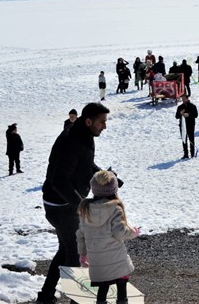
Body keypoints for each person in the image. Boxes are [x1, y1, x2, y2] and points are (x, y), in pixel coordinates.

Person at [36, 102, 110, 304]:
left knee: (66, 249)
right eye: (102, 122)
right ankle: (77, 300)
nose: (104, 126)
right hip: (60, 207)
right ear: (88, 121)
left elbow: (85, 163)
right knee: (75, 253)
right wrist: (82, 205)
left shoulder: (82, 135)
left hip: (64, 204)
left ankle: (45, 295)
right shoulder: (73, 140)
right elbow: (59, 181)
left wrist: (105, 175)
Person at [77, 170, 140, 304]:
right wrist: (133, 232)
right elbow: (119, 232)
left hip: (97, 259)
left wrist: (83, 255)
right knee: (121, 282)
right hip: (116, 257)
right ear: (114, 189)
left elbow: (81, 235)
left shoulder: (85, 210)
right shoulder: (115, 209)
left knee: (103, 284)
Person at [176, 94, 198, 159]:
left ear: (187, 98)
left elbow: (196, 115)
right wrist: (180, 113)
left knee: (191, 139)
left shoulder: (193, 106)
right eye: (182, 99)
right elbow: (176, 116)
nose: (183, 100)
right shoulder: (180, 107)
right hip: (183, 126)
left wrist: (189, 114)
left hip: (190, 125)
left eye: (184, 98)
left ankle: (192, 154)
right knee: (184, 139)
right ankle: (185, 154)